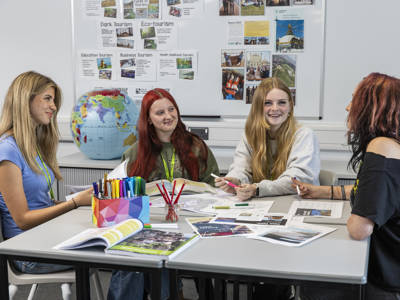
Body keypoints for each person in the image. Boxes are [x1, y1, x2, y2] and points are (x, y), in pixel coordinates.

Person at [293, 72, 400, 300]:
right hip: (387, 270)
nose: (348, 107)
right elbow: (372, 192)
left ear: (371, 107)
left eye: (354, 99)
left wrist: (353, 216)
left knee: (310, 284)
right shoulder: (392, 146)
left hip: (384, 281)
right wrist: (322, 191)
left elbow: (359, 229)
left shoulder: (382, 147)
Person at [107, 88, 219, 300]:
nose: (168, 116)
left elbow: (213, 186)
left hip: (192, 223)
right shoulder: (134, 152)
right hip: (151, 227)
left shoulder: (196, 146)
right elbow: (121, 196)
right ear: (148, 119)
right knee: (134, 262)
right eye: (159, 113)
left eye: (171, 109)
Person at [0, 71, 92, 274]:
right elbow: (23, 219)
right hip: (27, 251)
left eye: (54, 100)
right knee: (120, 257)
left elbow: (40, 202)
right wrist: (74, 203)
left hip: (46, 234)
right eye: (48, 99)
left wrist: (78, 201)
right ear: (26, 100)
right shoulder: (7, 150)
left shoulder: (31, 145)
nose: (54, 106)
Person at [216, 77, 320, 201]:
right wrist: (235, 180)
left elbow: (295, 180)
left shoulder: (304, 135)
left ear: (290, 106)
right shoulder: (249, 134)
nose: (275, 108)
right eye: (268, 103)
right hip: (262, 205)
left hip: (297, 203)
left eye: (282, 102)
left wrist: (257, 188)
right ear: (258, 107)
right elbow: (241, 167)